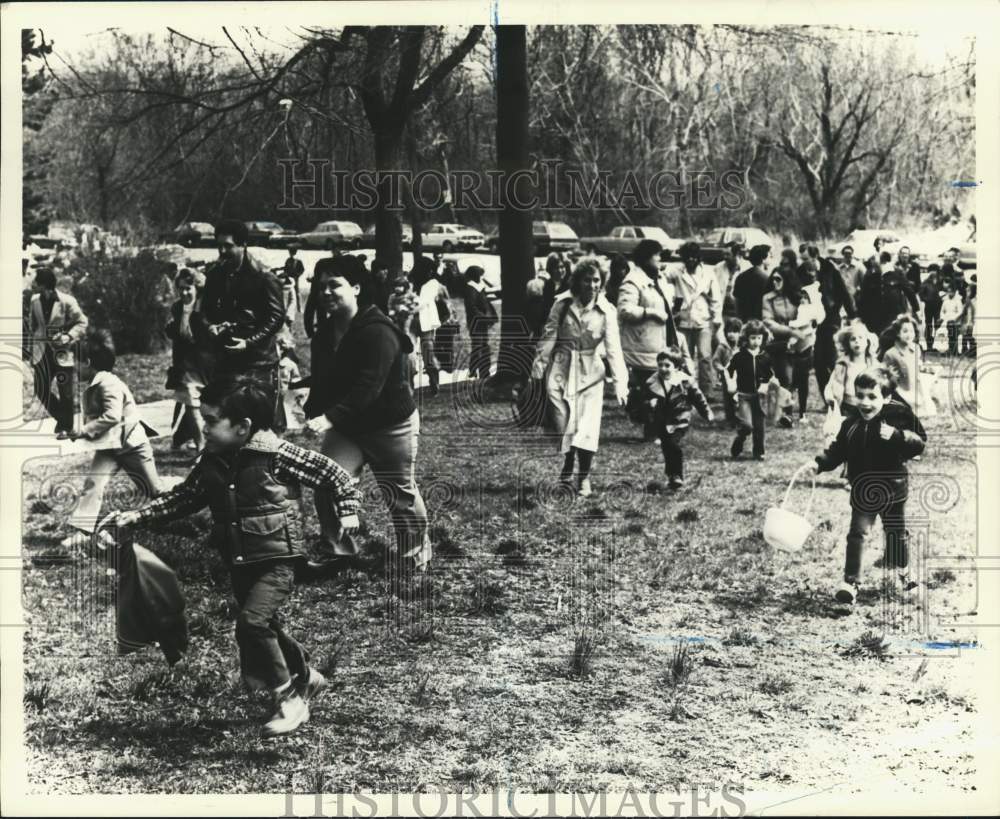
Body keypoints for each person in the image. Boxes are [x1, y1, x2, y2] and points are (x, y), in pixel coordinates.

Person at [101, 376, 362, 737]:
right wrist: (138, 516)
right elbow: (184, 498)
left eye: (210, 421)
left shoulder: (277, 454)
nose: (203, 427)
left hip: (277, 560)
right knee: (265, 626)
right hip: (239, 560)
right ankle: (306, 676)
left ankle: (290, 700)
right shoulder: (212, 459)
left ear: (242, 428)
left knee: (251, 624)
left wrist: (349, 510)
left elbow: (333, 474)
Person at [302, 259, 432, 572]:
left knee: (399, 493)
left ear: (356, 288)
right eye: (322, 287)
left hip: (390, 425)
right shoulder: (324, 335)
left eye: (335, 285)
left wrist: (329, 418)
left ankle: (414, 557)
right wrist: (309, 410)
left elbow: (368, 387)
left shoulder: (378, 330)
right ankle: (339, 551)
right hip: (348, 426)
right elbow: (322, 382)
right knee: (327, 484)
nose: (327, 292)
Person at [805, 365, 927, 607]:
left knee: (896, 535)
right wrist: (820, 463)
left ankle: (903, 571)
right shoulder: (850, 424)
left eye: (872, 396)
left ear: (887, 397)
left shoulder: (898, 418)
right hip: (863, 491)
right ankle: (851, 583)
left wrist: (897, 436)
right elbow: (837, 451)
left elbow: (919, 443)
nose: (865, 402)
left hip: (893, 490)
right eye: (860, 395)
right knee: (857, 534)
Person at [531, 258, 628, 498]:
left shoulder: (607, 311)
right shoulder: (562, 304)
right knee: (564, 423)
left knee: (587, 427)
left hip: (590, 373)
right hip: (561, 369)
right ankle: (567, 463)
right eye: (587, 279)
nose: (592, 285)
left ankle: (583, 476)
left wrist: (620, 384)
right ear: (577, 281)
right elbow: (549, 336)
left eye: (597, 280)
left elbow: (614, 349)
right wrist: (538, 368)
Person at [61, 329, 164, 552]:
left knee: (153, 491)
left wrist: (83, 431)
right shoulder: (96, 382)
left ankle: (176, 508)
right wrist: (75, 431)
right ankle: (82, 531)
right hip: (109, 446)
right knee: (94, 484)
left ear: (87, 362)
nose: (74, 368)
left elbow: (112, 416)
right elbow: (97, 418)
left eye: (75, 362)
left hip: (131, 446)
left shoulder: (108, 383)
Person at [201, 219, 285, 410]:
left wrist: (250, 342)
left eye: (228, 246)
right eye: (219, 246)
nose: (222, 251)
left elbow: (276, 316)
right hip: (226, 359)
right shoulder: (215, 274)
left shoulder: (263, 275)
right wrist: (210, 326)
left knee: (257, 417)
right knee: (229, 416)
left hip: (258, 362)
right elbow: (206, 310)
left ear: (243, 245)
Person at [617, 239, 690, 440]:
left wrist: (672, 310)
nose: (660, 259)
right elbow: (624, 310)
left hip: (658, 342)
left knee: (658, 388)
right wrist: (651, 313)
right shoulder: (632, 281)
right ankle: (649, 426)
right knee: (652, 389)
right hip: (642, 346)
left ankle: (655, 428)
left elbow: (664, 306)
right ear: (645, 257)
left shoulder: (658, 279)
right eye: (656, 255)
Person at [25, 266, 89, 437]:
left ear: (43, 284)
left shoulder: (67, 301)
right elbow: (33, 326)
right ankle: (63, 419)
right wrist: (32, 349)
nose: (33, 284)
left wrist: (68, 336)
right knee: (40, 388)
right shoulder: (34, 301)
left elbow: (82, 322)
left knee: (65, 391)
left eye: (36, 281)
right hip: (41, 352)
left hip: (62, 351)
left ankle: (66, 427)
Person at [762, 253, 821, 427]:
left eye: (779, 279)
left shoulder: (799, 295)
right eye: (773, 279)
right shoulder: (767, 298)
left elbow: (812, 313)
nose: (775, 283)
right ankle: (786, 413)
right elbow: (768, 321)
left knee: (802, 378)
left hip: (803, 343)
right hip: (781, 344)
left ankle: (802, 411)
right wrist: (790, 330)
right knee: (784, 378)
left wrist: (809, 326)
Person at [645, 347, 713, 490]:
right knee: (666, 446)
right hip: (661, 420)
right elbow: (640, 400)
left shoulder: (685, 382)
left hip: (679, 418)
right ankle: (672, 476)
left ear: (676, 367)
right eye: (660, 365)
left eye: (667, 365)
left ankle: (677, 475)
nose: (663, 369)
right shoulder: (652, 382)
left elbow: (698, 398)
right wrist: (649, 403)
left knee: (673, 444)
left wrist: (706, 412)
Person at [665, 240, 722, 399]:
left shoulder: (708, 274)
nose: (691, 260)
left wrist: (717, 318)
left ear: (699, 258)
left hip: (703, 319)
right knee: (684, 357)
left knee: (705, 356)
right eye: (687, 257)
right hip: (683, 321)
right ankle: (684, 389)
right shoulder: (676, 272)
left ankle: (707, 391)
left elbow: (716, 297)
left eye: (694, 257)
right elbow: (663, 281)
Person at [165, 268, 212, 453]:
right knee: (191, 399)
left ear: (197, 287)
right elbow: (177, 331)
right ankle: (203, 448)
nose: (184, 293)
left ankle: (180, 438)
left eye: (188, 288)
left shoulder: (205, 307)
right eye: (181, 288)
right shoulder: (177, 308)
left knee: (200, 403)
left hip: (207, 363)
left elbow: (207, 334)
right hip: (186, 364)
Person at [726, 319, 774, 460]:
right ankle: (740, 439)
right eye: (753, 338)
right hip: (744, 395)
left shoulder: (765, 357)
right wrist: (731, 383)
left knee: (759, 427)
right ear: (746, 338)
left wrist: (765, 384)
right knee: (747, 425)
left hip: (760, 397)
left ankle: (759, 452)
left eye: (759, 338)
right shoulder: (739, 356)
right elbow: (728, 370)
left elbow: (770, 375)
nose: (756, 341)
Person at [811, 253, 856, 400]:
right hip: (812, 321)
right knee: (818, 362)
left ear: (815, 257)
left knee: (832, 358)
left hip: (831, 319)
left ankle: (839, 394)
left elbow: (844, 293)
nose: (804, 262)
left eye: (806, 259)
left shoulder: (830, 270)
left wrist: (853, 316)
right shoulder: (801, 272)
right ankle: (827, 397)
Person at [410, 256, 452, 396]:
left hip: (426, 322)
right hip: (412, 322)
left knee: (428, 354)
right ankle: (410, 385)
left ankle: (434, 383)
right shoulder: (412, 284)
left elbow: (424, 301)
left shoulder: (433, 284)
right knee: (410, 355)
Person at [824, 321, 877, 418]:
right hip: (848, 406)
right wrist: (830, 397)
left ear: (867, 342)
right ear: (847, 344)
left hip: (867, 405)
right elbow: (831, 384)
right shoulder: (842, 364)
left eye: (861, 338)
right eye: (853, 339)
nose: (857, 341)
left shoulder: (873, 364)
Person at [464, 265, 498, 380]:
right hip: (475, 322)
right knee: (478, 346)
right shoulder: (470, 288)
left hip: (482, 322)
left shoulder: (479, 287)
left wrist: (491, 316)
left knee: (484, 346)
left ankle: (484, 372)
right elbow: (472, 308)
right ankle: (473, 371)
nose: (481, 278)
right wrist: (485, 317)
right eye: (480, 275)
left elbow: (486, 303)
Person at [711, 317, 743, 427]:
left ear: (740, 333)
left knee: (742, 395)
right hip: (727, 376)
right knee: (728, 397)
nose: (731, 334)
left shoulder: (742, 346)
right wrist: (722, 369)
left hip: (741, 375)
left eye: (735, 332)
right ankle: (730, 417)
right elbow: (715, 361)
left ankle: (743, 415)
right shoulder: (722, 347)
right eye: (729, 331)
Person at [733, 244, 771, 322]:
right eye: (770, 256)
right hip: (760, 320)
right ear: (763, 259)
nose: (771, 258)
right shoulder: (766, 279)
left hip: (744, 319)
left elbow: (736, 301)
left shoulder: (741, 276)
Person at [712, 242, 749, 319]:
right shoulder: (718, 267)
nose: (724, 257)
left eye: (728, 254)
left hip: (740, 312)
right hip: (722, 311)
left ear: (737, 254)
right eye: (723, 254)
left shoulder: (747, 268)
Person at [919, 265, 944, 350]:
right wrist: (928, 300)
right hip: (929, 306)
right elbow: (921, 294)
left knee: (938, 324)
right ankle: (929, 344)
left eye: (934, 270)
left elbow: (946, 290)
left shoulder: (941, 281)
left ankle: (938, 345)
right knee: (928, 324)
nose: (933, 272)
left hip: (939, 306)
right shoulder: (926, 282)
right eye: (931, 270)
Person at [525, 265, 551, 341]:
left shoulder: (530, 282)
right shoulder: (544, 284)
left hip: (530, 306)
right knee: (540, 327)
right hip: (540, 305)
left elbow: (527, 294)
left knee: (532, 326)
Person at [939, 280, 964, 356]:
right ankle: (944, 350)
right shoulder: (945, 300)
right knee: (942, 334)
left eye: (951, 292)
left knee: (953, 336)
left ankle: (954, 352)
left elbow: (960, 311)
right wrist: (943, 317)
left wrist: (953, 318)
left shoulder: (958, 300)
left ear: (954, 292)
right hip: (946, 319)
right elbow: (942, 311)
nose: (950, 293)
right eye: (949, 292)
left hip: (954, 320)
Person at [281, 244, 305, 315]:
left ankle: (299, 308)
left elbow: (302, 269)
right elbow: (285, 268)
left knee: (297, 293)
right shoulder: (288, 260)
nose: (291, 254)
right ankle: (288, 308)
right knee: (288, 293)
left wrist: (297, 275)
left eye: (292, 252)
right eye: (290, 253)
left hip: (295, 279)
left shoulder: (298, 261)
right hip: (288, 278)